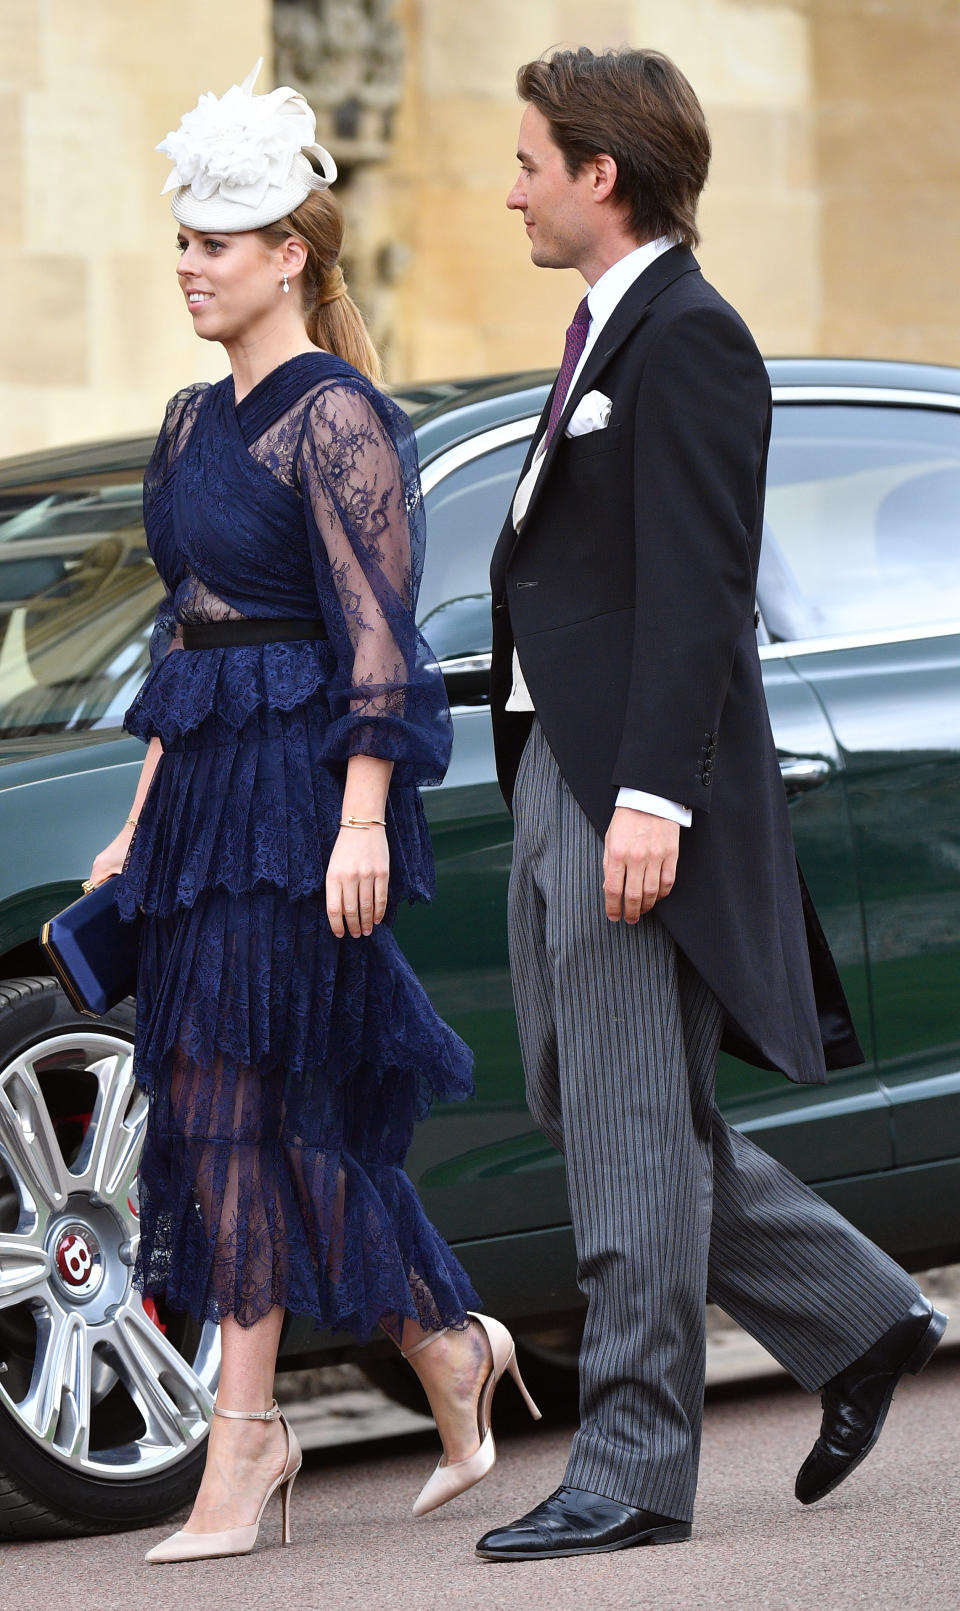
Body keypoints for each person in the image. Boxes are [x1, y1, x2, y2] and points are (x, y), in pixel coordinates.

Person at [476, 46, 947, 1562]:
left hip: (625, 784)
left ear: (600, 174)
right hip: (554, 764)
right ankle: (861, 1315)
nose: (514, 187)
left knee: (625, 1126)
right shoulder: (603, 327)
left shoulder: (688, 337)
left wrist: (650, 803)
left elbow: (698, 598)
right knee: (588, 1100)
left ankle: (633, 1467)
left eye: (533, 160)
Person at [88, 61, 538, 1566]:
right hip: (206, 800)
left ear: (291, 252)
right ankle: (443, 1349)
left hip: (301, 807)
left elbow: (377, 645)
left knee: (244, 1109)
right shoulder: (183, 421)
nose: (189, 263)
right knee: (245, 1116)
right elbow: (184, 641)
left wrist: (360, 819)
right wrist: (137, 823)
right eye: (183, 238)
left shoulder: (338, 417)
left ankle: (249, 1442)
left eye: (217, 239)